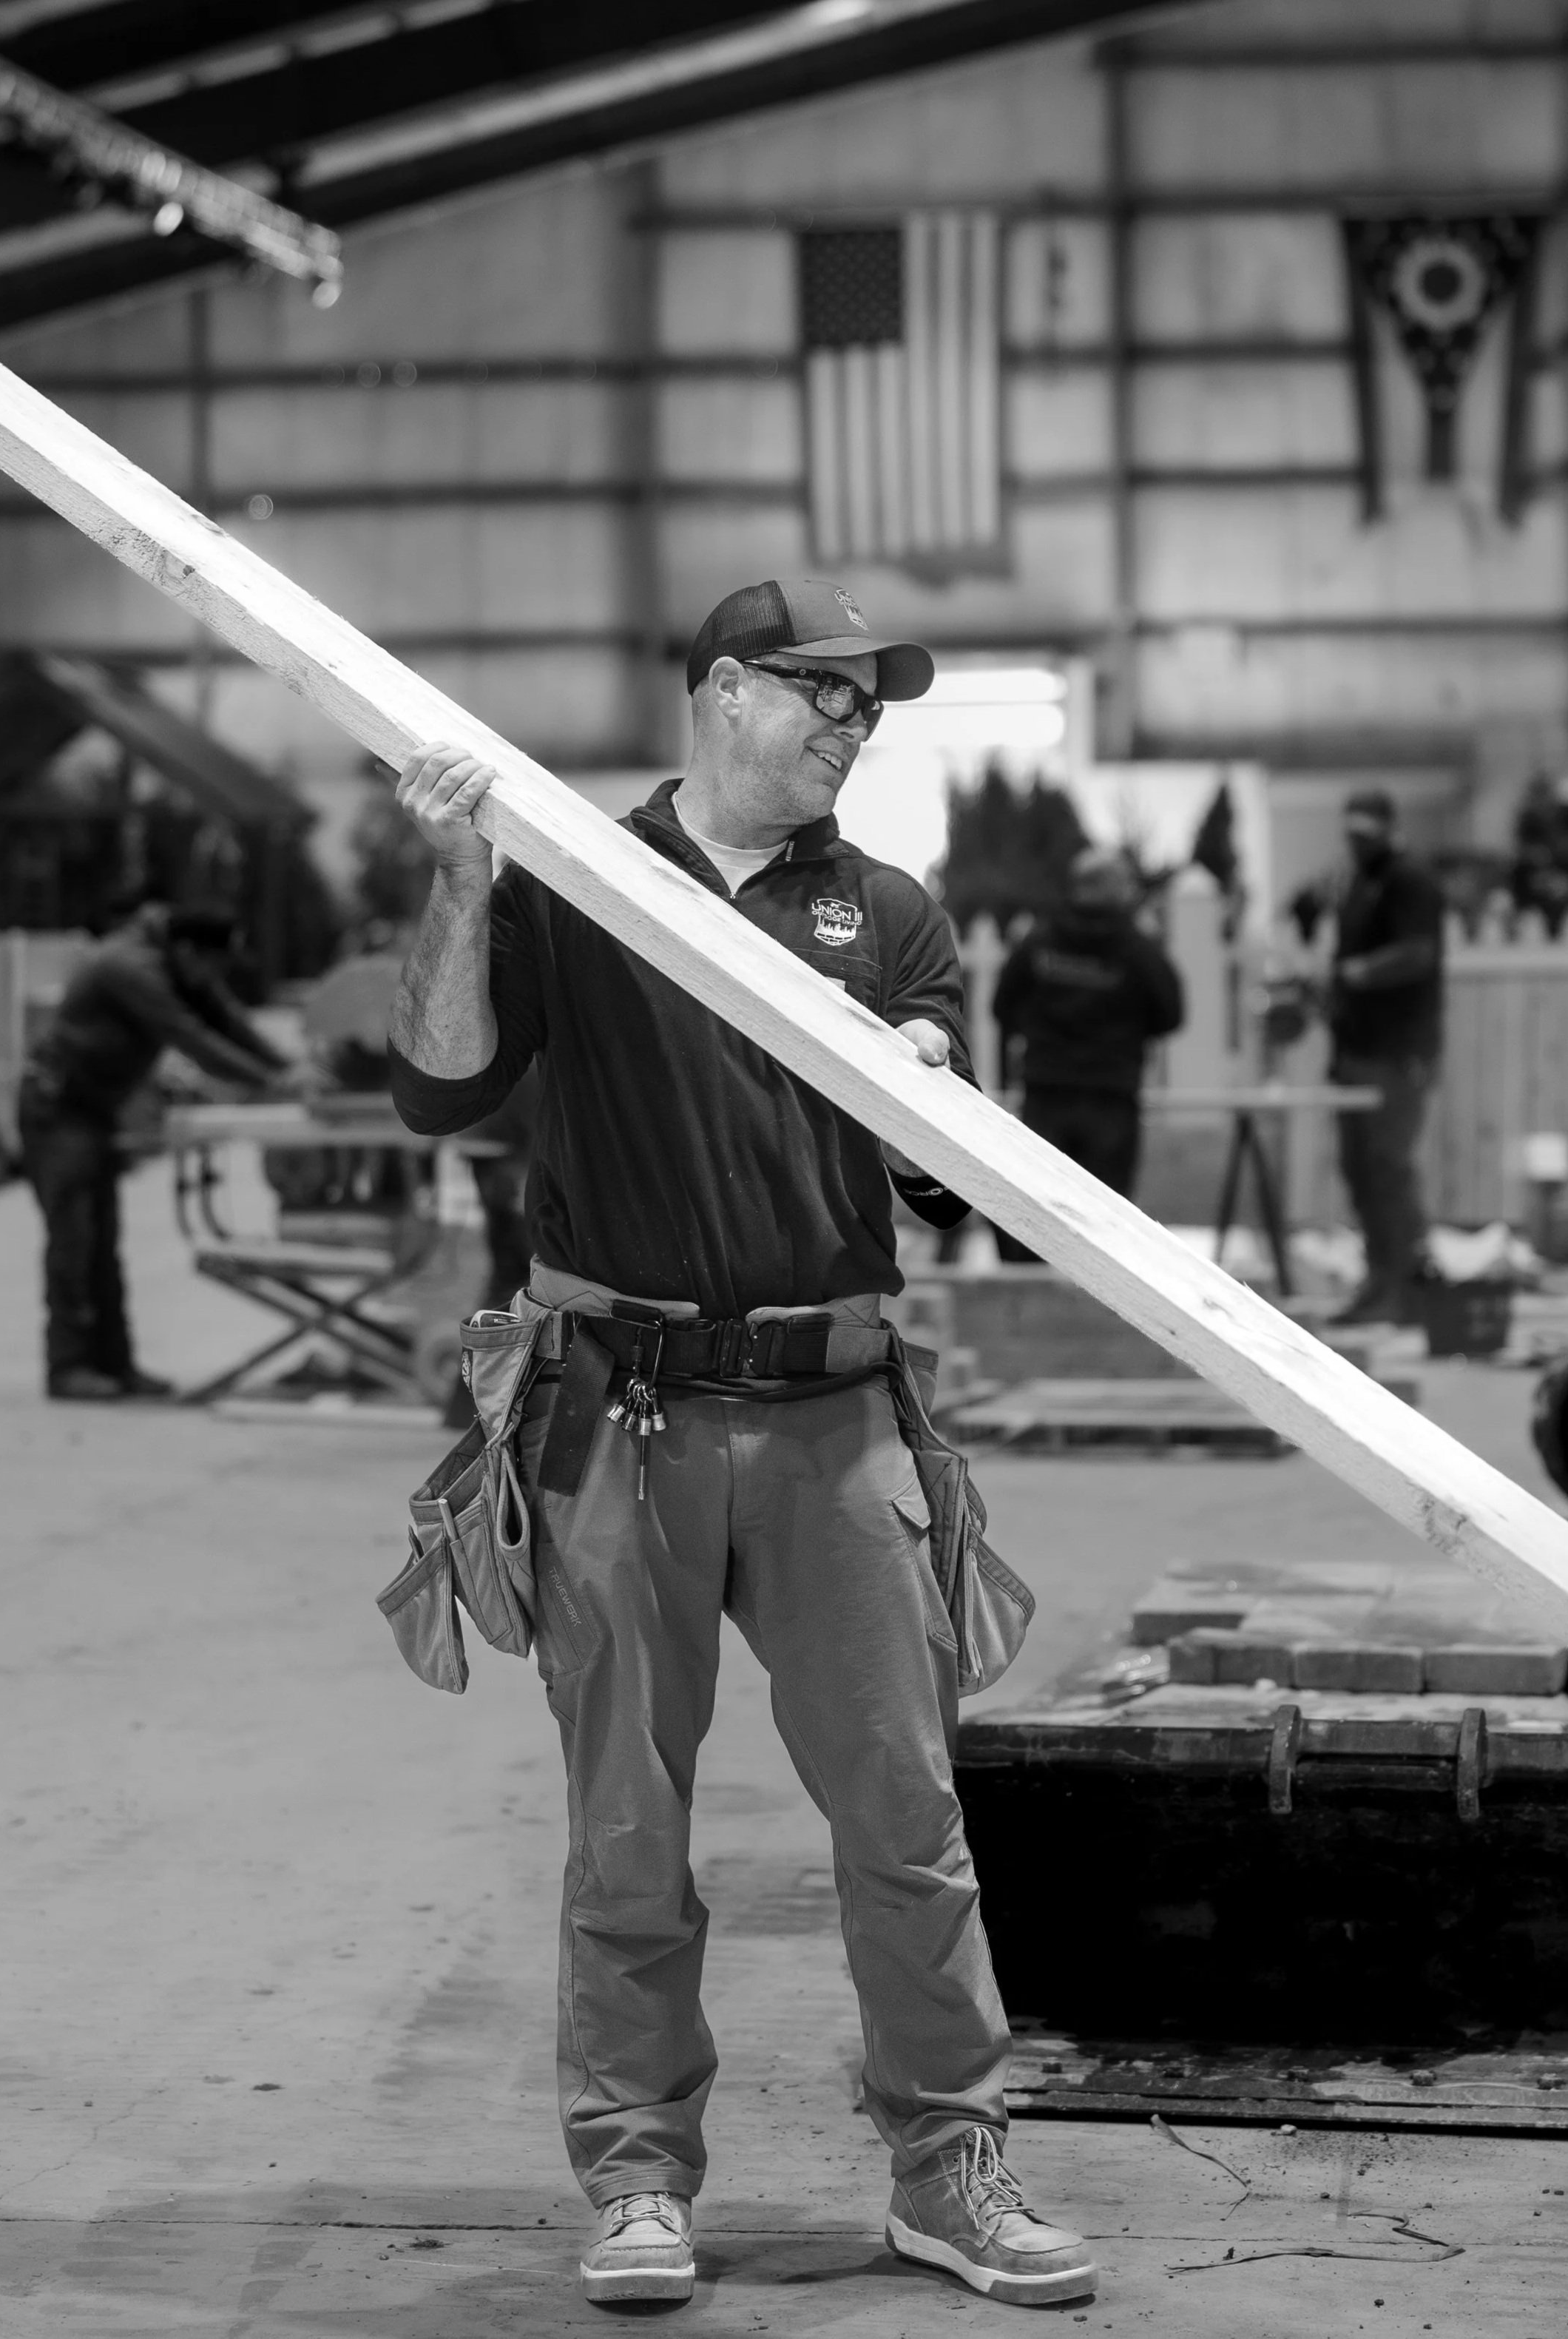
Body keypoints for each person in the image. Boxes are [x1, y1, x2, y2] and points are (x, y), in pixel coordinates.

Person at [387, 576, 1098, 2312]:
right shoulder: (576, 877)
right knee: (628, 1829)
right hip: (617, 1413)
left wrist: (923, 1080)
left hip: (835, 1414)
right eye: (821, 691)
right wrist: (463, 880)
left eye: (871, 704)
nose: (854, 724)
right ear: (719, 690)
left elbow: (943, 1178)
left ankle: (949, 2168)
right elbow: (440, 1083)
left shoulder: (888, 909)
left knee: (907, 1816)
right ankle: (638, 2179)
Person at [20, 901, 291, 1400]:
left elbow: (226, 1018)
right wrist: (273, 1082)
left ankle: (115, 1366)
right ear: (188, 951)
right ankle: (69, 1367)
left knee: (103, 1244)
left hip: (93, 1110)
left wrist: (288, 1069)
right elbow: (190, 1036)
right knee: (74, 1241)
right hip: (58, 1109)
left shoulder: (175, 960)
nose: (215, 978)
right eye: (213, 966)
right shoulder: (129, 967)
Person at [990, 848, 1183, 1254]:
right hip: (1111, 1096)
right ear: (1111, 888)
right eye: (1126, 883)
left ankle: (1026, 1287)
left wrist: (1044, 1033)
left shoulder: (1040, 941)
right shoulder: (1137, 948)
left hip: (1046, 1094)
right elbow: (1171, 1014)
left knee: (1034, 1214)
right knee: (1106, 1226)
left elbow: (1002, 1006)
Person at [1313, 789, 1444, 1326]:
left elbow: (1418, 954)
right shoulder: (1357, 883)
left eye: (1366, 835)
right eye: (1352, 835)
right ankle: (1379, 1279)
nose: (1357, 844)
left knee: (1388, 1169)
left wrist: (1359, 973)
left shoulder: (1410, 882)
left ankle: (1406, 1285)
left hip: (1397, 1053)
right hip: (1357, 1049)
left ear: (1388, 829)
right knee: (1361, 1170)